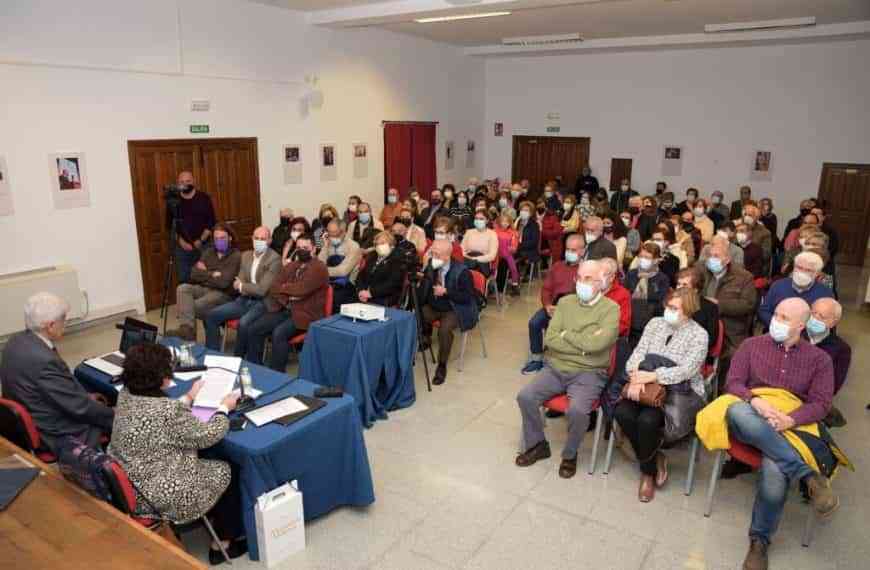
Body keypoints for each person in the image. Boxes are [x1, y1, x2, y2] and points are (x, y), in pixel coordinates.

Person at [722, 297, 837, 570]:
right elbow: (733, 383)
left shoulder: (820, 360)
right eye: (776, 314)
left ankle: (759, 542)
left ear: (802, 325)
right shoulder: (751, 345)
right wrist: (755, 401)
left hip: (789, 425)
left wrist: (790, 420)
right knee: (737, 412)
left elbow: (821, 404)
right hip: (751, 416)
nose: (776, 320)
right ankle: (808, 476)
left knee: (775, 474)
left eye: (785, 318)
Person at [108, 343, 246, 564]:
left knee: (206, 459)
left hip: (132, 483)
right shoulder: (167, 411)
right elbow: (207, 435)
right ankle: (223, 544)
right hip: (163, 493)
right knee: (228, 468)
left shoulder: (126, 394)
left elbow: (159, 420)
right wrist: (224, 408)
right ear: (160, 377)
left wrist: (189, 397)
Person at [515, 260, 619, 479]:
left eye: (588, 278)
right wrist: (583, 344)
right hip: (556, 367)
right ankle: (538, 444)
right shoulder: (565, 303)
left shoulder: (611, 309)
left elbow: (598, 346)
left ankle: (570, 455)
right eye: (579, 278)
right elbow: (551, 340)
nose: (581, 282)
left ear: (601, 282)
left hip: (590, 373)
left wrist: (567, 336)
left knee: (578, 411)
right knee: (525, 396)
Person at [614, 287, 708, 502]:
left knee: (647, 421)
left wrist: (652, 376)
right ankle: (654, 458)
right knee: (622, 413)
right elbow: (638, 352)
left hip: (678, 391)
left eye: (675, 308)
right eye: (668, 306)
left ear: (689, 311)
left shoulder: (699, 334)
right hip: (644, 383)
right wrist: (635, 374)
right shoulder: (655, 324)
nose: (668, 311)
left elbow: (687, 370)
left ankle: (647, 474)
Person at [0, 292, 114, 454]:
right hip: (53, 431)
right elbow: (79, 408)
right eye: (64, 319)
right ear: (50, 325)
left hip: (29, 418)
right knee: (113, 420)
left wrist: (83, 396)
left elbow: (53, 390)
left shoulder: (14, 342)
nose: (65, 324)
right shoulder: (45, 360)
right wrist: (117, 415)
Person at [247, 235, 328, 371]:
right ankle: (255, 367)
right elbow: (274, 286)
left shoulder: (319, 268)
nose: (301, 250)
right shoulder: (292, 265)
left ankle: (276, 373)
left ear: (314, 249)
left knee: (279, 333)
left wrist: (286, 288)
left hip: (306, 313)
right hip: (286, 307)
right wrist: (288, 297)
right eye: (298, 248)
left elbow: (301, 289)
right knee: (255, 327)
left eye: (305, 248)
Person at [203, 226, 281, 353]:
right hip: (244, 299)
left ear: (269, 241)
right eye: (256, 238)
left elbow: (262, 290)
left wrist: (242, 286)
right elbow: (238, 280)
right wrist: (244, 286)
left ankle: (239, 358)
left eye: (263, 238)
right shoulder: (246, 255)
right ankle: (212, 354)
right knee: (211, 315)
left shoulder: (274, 259)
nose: (259, 241)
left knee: (243, 324)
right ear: (252, 239)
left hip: (262, 303)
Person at [418, 240, 479, 385]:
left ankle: (442, 365)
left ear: (447, 256)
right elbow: (424, 291)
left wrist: (446, 291)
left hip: (455, 307)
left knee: (444, 330)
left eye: (436, 254)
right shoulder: (432, 265)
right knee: (415, 313)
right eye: (432, 252)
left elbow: (468, 297)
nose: (432, 256)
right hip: (435, 305)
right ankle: (424, 337)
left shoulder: (462, 271)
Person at [522, 234, 586, 374]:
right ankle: (536, 359)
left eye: (573, 250)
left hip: (574, 311)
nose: (569, 253)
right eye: (568, 249)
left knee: (560, 330)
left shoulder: (587, 271)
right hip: (553, 306)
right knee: (534, 323)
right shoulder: (557, 266)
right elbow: (546, 289)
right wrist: (547, 305)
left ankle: (558, 361)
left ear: (582, 251)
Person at [168, 224, 241, 341]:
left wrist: (205, 272)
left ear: (230, 238)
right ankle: (188, 332)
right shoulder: (209, 252)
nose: (219, 241)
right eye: (216, 238)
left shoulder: (235, 256)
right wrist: (212, 274)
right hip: (205, 288)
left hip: (223, 294)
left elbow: (224, 283)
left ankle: (189, 333)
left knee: (194, 306)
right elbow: (193, 273)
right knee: (182, 288)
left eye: (222, 238)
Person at [758, 252, 833, 329]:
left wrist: (798, 330)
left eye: (808, 270)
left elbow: (824, 323)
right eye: (799, 268)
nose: (802, 272)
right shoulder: (778, 285)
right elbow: (764, 310)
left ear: (817, 273)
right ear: (793, 268)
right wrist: (778, 326)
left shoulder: (825, 294)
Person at [169, 171, 216, 284]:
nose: (185, 184)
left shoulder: (204, 198)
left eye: (188, 181)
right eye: (182, 182)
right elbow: (170, 226)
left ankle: (203, 301)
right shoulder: (173, 201)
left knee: (205, 276)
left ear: (193, 181)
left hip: (204, 245)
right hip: (182, 248)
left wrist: (200, 240)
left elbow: (211, 222)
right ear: (178, 183)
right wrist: (182, 242)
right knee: (185, 279)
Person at [625, 243, 670, 346]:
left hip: (649, 323)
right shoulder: (632, 274)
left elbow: (661, 304)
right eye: (641, 256)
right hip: (630, 320)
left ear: (655, 260)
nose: (643, 260)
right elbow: (625, 295)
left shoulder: (662, 279)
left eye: (647, 257)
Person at [807, 298, 851, 397]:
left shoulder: (842, 349)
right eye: (813, 313)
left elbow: (833, 386)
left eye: (822, 317)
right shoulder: (795, 335)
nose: (815, 319)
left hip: (814, 397)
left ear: (833, 323)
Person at [318, 219, 362, 312]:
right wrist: (325, 247)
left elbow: (343, 271)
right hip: (326, 282)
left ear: (343, 232)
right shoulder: (327, 243)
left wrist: (322, 271)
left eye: (335, 233)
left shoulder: (353, 246)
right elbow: (318, 264)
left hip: (346, 286)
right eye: (329, 233)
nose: (331, 236)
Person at [355, 232, 407, 307]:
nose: (379, 246)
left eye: (382, 243)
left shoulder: (398, 259)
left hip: (384, 297)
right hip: (365, 294)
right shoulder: (372, 256)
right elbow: (361, 276)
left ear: (391, 245)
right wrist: (361, 291)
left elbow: (392, 284)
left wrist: (371, 293)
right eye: (377, 244)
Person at [676, 268, 720, 355]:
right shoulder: (672, 303)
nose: (679, 288)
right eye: (678, 284)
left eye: (684, 285)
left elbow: (710, 340)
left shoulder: (710, 308)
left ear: (695, 289)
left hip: (694, 352)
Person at [600, 257, 632, 338]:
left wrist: (601, 333)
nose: (598, 278)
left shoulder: (623, 294)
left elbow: (623, 324)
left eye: (603, 274)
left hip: (610, 338)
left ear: (612, 277)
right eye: (597, 273)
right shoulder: (591, 289)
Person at [461, 210, 498, 277]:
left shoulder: (492, 234)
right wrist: (468, 257)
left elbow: (492, 255)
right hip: (468, 260)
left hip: (483, 263)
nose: (478, 221)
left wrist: (476, 259)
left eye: (481, 219)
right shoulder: (469, 232)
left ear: (487, 221)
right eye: (476, 218)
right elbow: (462, 249)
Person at [494, 213, 521, 295]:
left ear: (510, 223)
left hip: (507, 255)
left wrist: (513, 248)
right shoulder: (494, 231)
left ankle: (515, 285)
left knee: (513, 268)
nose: (505, 223)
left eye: (507, 222)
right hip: (496, 255)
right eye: (503, 221)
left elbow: (514, 246)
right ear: (499, 222)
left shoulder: (513, 233)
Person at [742, 204, 772, 272]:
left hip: (755, 267)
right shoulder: (738, 228)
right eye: (745, 214)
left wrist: (750, 246)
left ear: (756, 217)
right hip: (738, 263)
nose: (747, 217)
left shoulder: (765, 233)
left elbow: (766, 255)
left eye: (750, 215)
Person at [514, 201, 541, 271]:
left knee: (513, 254)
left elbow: (533, 242)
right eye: (522, 210)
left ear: (531, 213)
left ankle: (519, 273)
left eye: (526, 210)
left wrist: (519, 245)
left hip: (529, 250)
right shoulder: (517, 222)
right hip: (517, 247)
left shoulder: (534, 225)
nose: (523, 212)